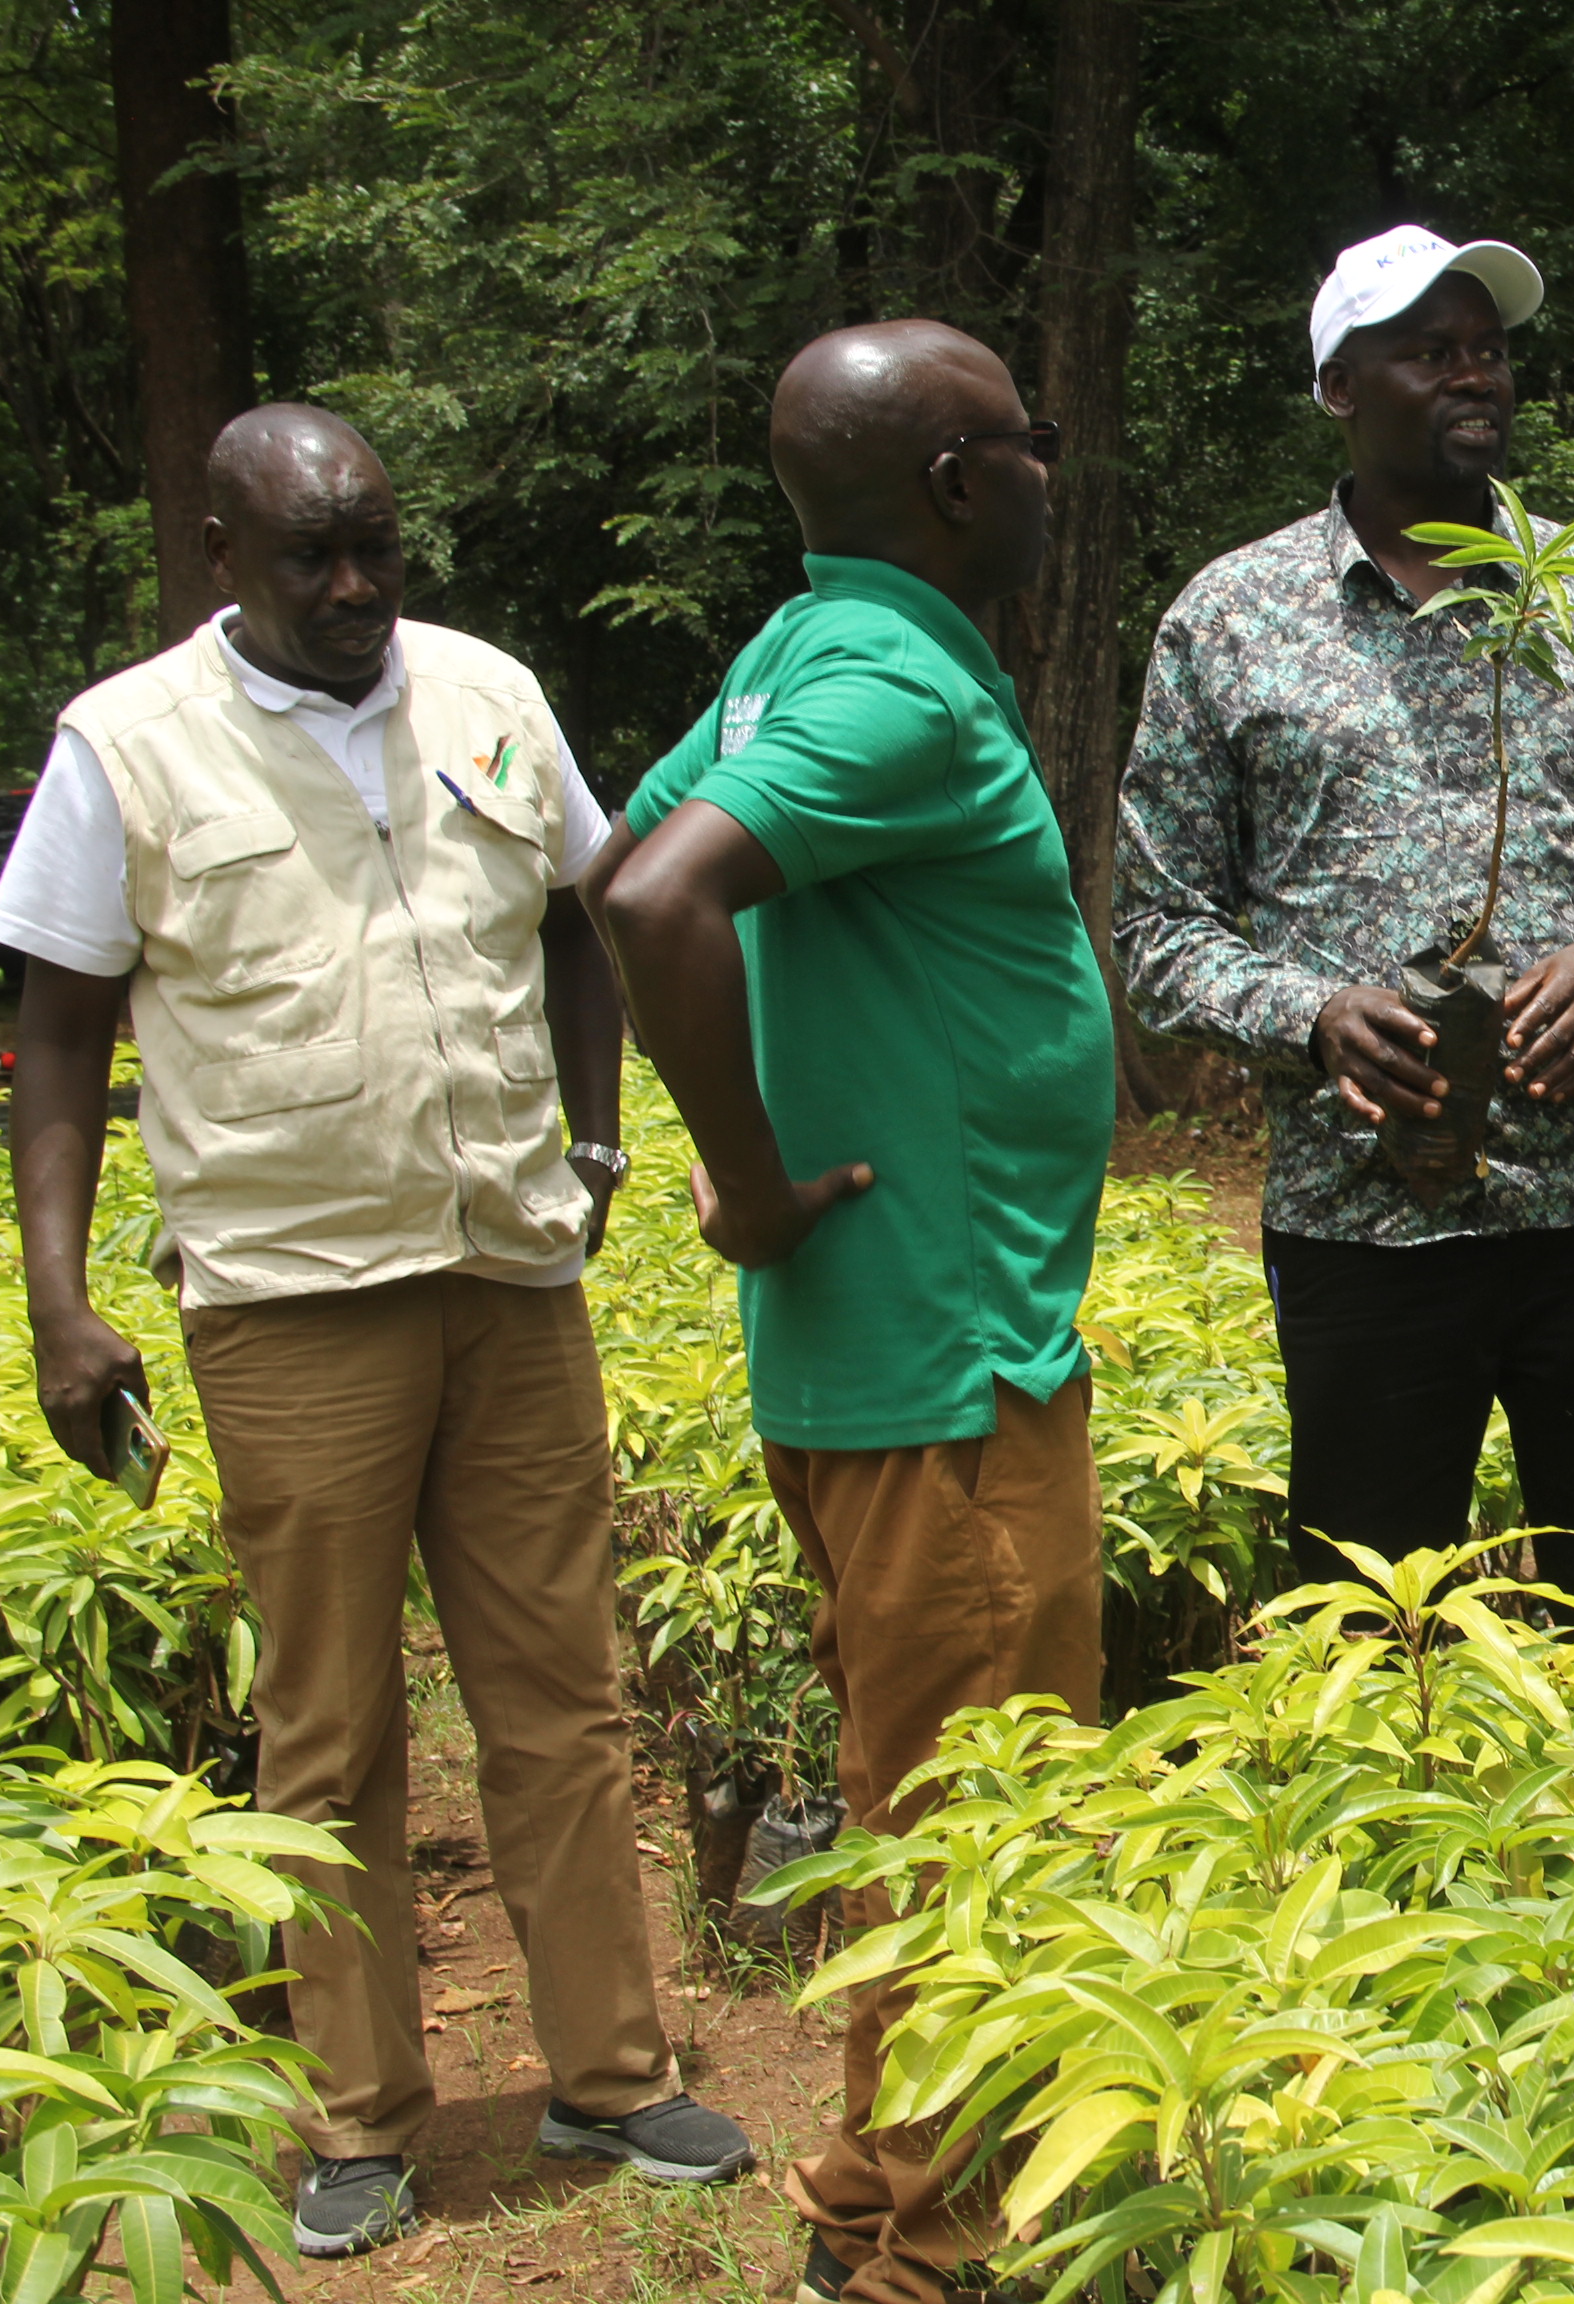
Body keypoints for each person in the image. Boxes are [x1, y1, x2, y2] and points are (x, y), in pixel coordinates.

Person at [0, 406, 751, 2259]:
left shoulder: (486, 689)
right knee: (325, 1720)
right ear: (219, 550)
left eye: (378, 551)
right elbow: (63, 1031)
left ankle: (609, 2068)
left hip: (509, 1272)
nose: (354, 589)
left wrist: (592, 1126)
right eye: (312, 556)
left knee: (559, 1690)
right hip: (288, 1294)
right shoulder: (127, 743)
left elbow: (591, 911)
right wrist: (60, 1295)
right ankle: (360, 2113)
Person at [587, 320, 1113, 2304]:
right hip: (942, 1376)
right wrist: (739, 1174)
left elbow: (615, 858)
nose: (1051, 470)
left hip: (877, 1369)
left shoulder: (794, 657)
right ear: (966, 485)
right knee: (993, 1834)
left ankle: (868, 2211)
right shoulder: (886, 682)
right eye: (1028, 439)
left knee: (919, 1813)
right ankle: (946, 2259)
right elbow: (652, 903)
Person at [1117, 226, 1574, 1636]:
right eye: (1431, 351)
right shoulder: (1228, 620)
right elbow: (1160, 931)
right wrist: (1310, 1013)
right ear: (1342, 387)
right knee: (1375, 1630)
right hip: (1367, 1216)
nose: (1474, 375)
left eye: (1489, 348)